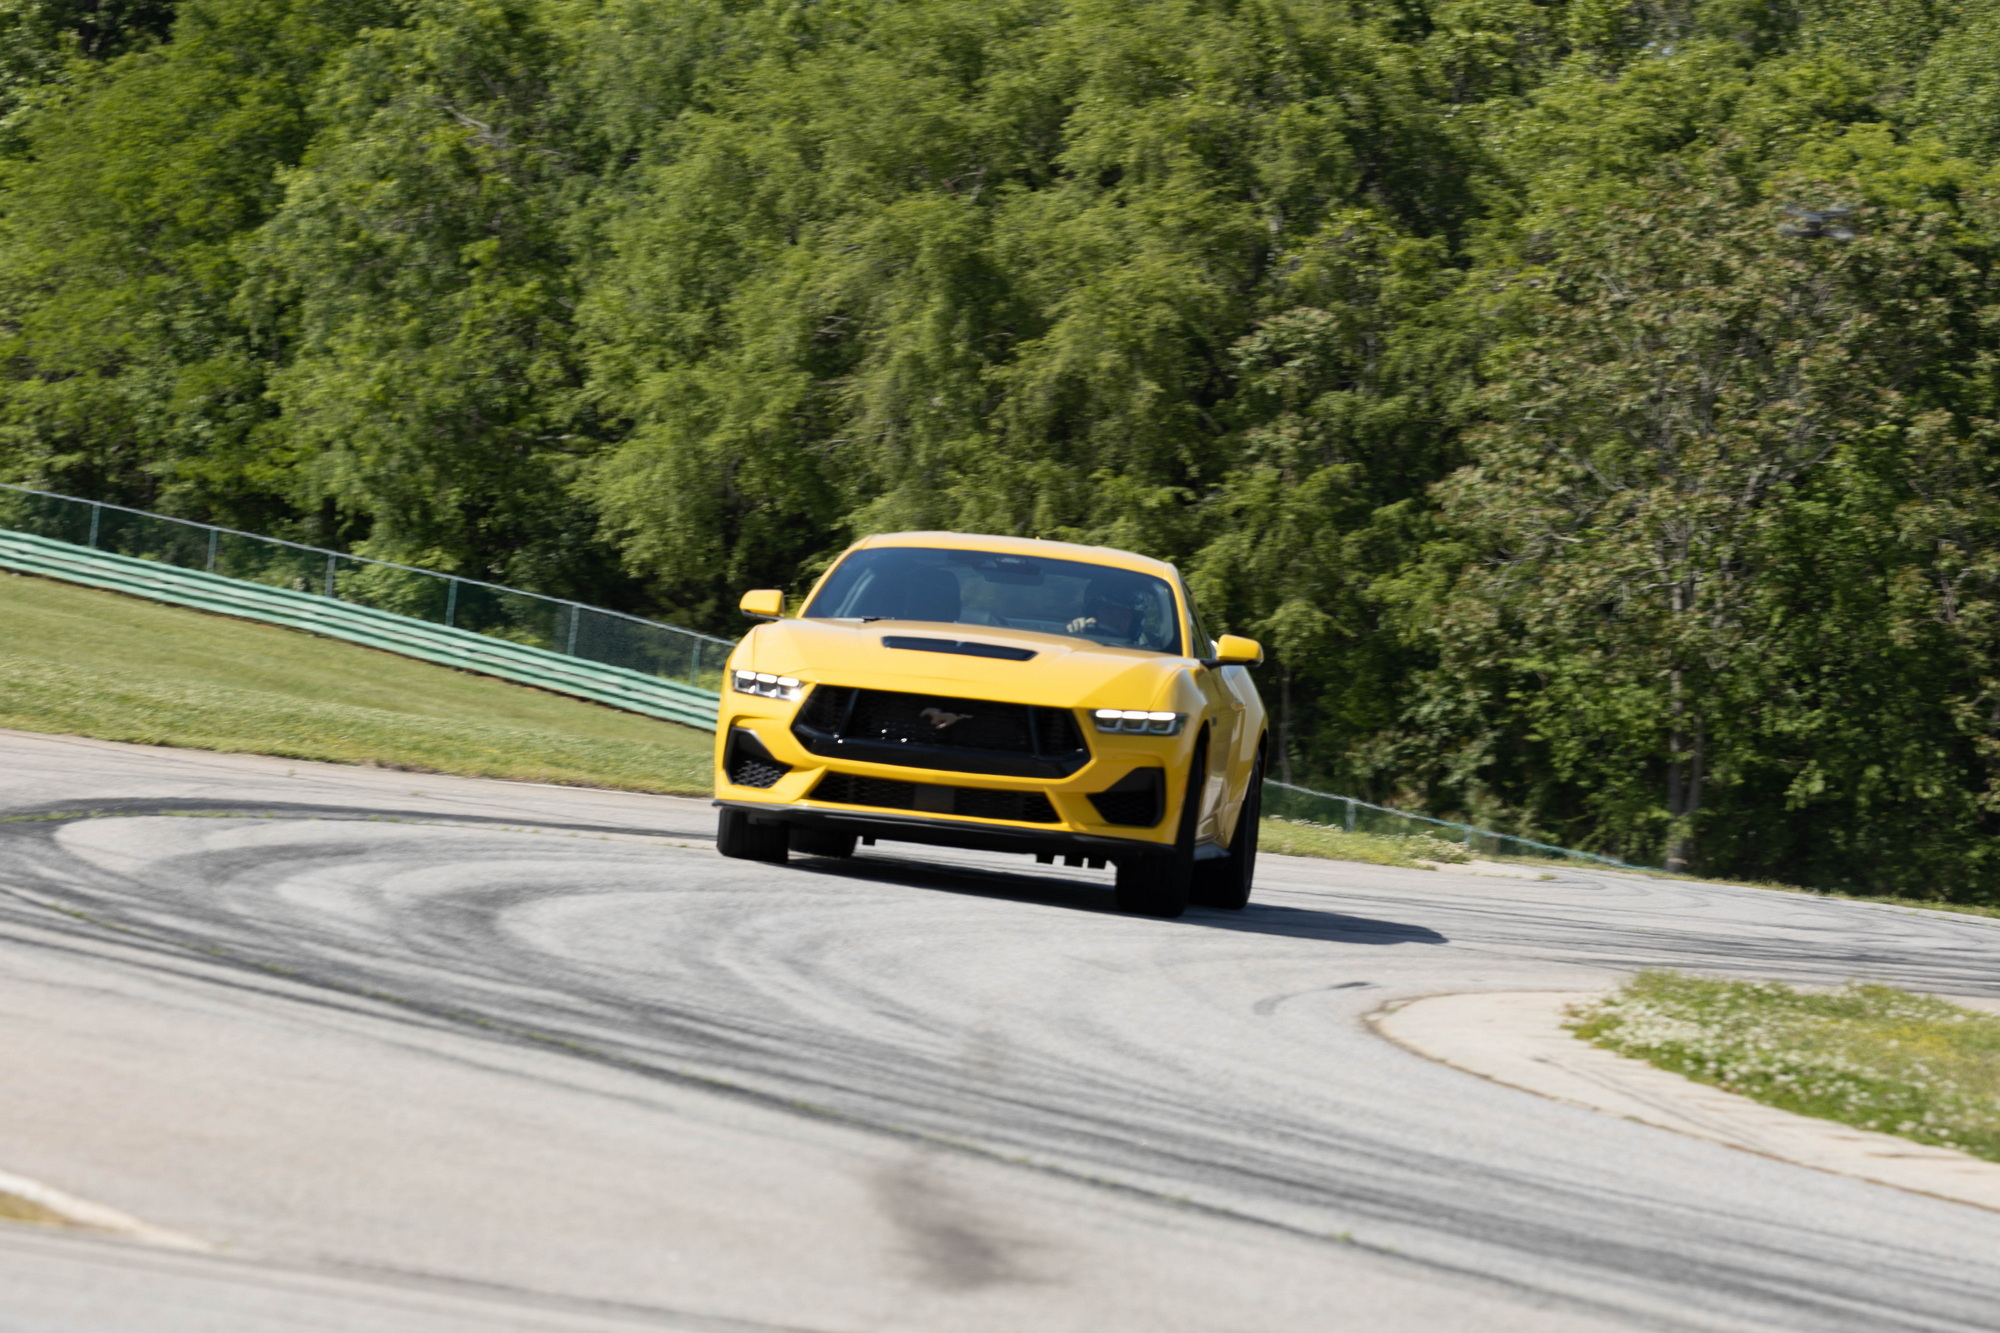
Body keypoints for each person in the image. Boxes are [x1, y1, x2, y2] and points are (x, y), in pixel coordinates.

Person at [1066, 578, 1146, 643]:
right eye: (1108, 612)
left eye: (1124, 616)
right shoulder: (1081, 632)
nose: (1114, 620)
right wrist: (1076, 633)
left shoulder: (1147, 649)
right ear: (1092, 613)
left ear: (1134, 624)